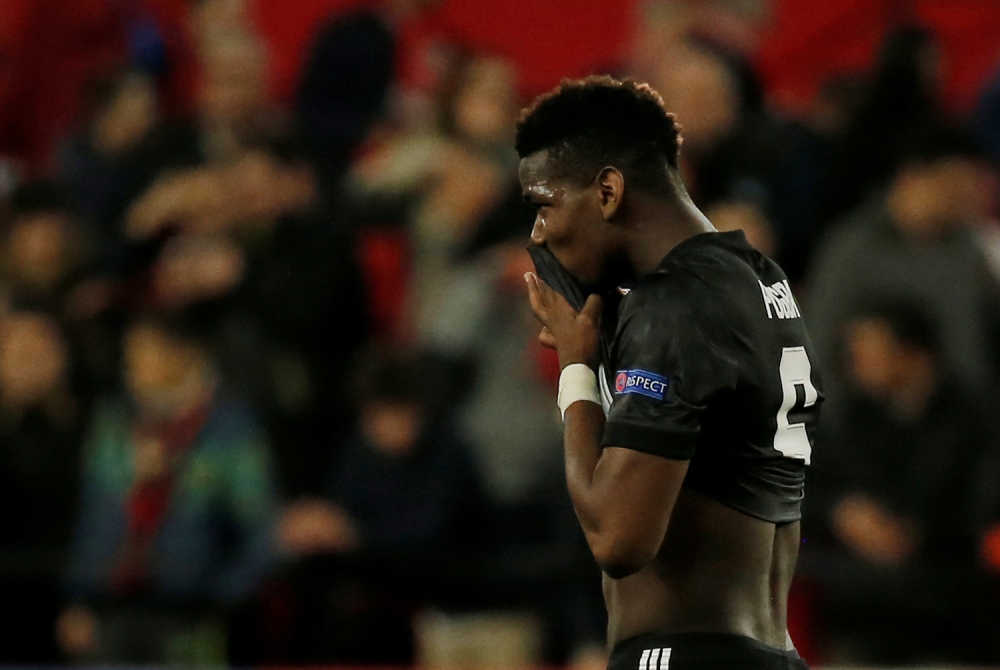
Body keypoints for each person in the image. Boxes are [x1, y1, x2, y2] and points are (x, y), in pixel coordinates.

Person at [518, 76, 822, 669]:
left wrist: (576, 372)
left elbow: (620, 539)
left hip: (686, 653)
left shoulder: (673, 303)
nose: (537, 234)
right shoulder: (760, 278)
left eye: (542, 204)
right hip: (767, 651)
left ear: (607, 190)